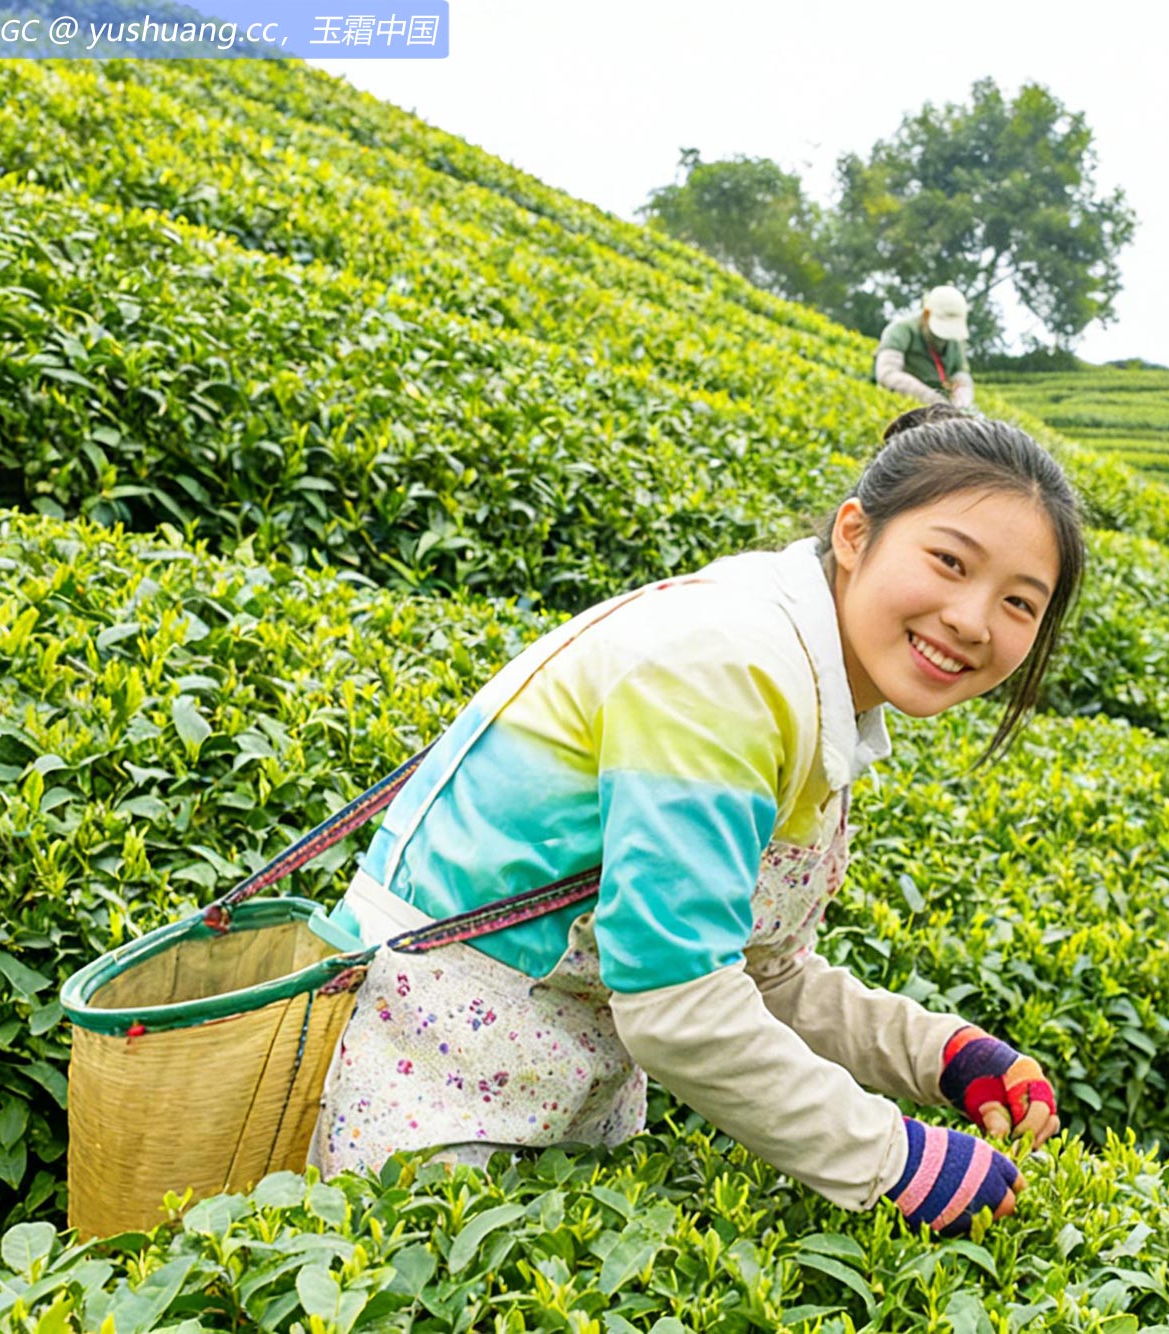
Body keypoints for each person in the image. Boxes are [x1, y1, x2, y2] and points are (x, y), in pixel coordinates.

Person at [309, 405, 1084, 1239]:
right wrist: (891, 1161)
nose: (972, 620)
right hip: (435, 1092)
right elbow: (677, 1002)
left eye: (1018, 603)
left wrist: (942, 1055)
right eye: (948, 561)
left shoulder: (815, 684)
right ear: (856, 535)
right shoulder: (730, 668)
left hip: (548, 1095)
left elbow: (759, 969)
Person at [875, 285, 975, 409]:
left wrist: (962, 397)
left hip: (942, 406)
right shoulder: (900, 331)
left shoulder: (955, 340)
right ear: (926, 315)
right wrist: (931, 397)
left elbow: (960, 373)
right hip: (905, 403)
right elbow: (887, 374)